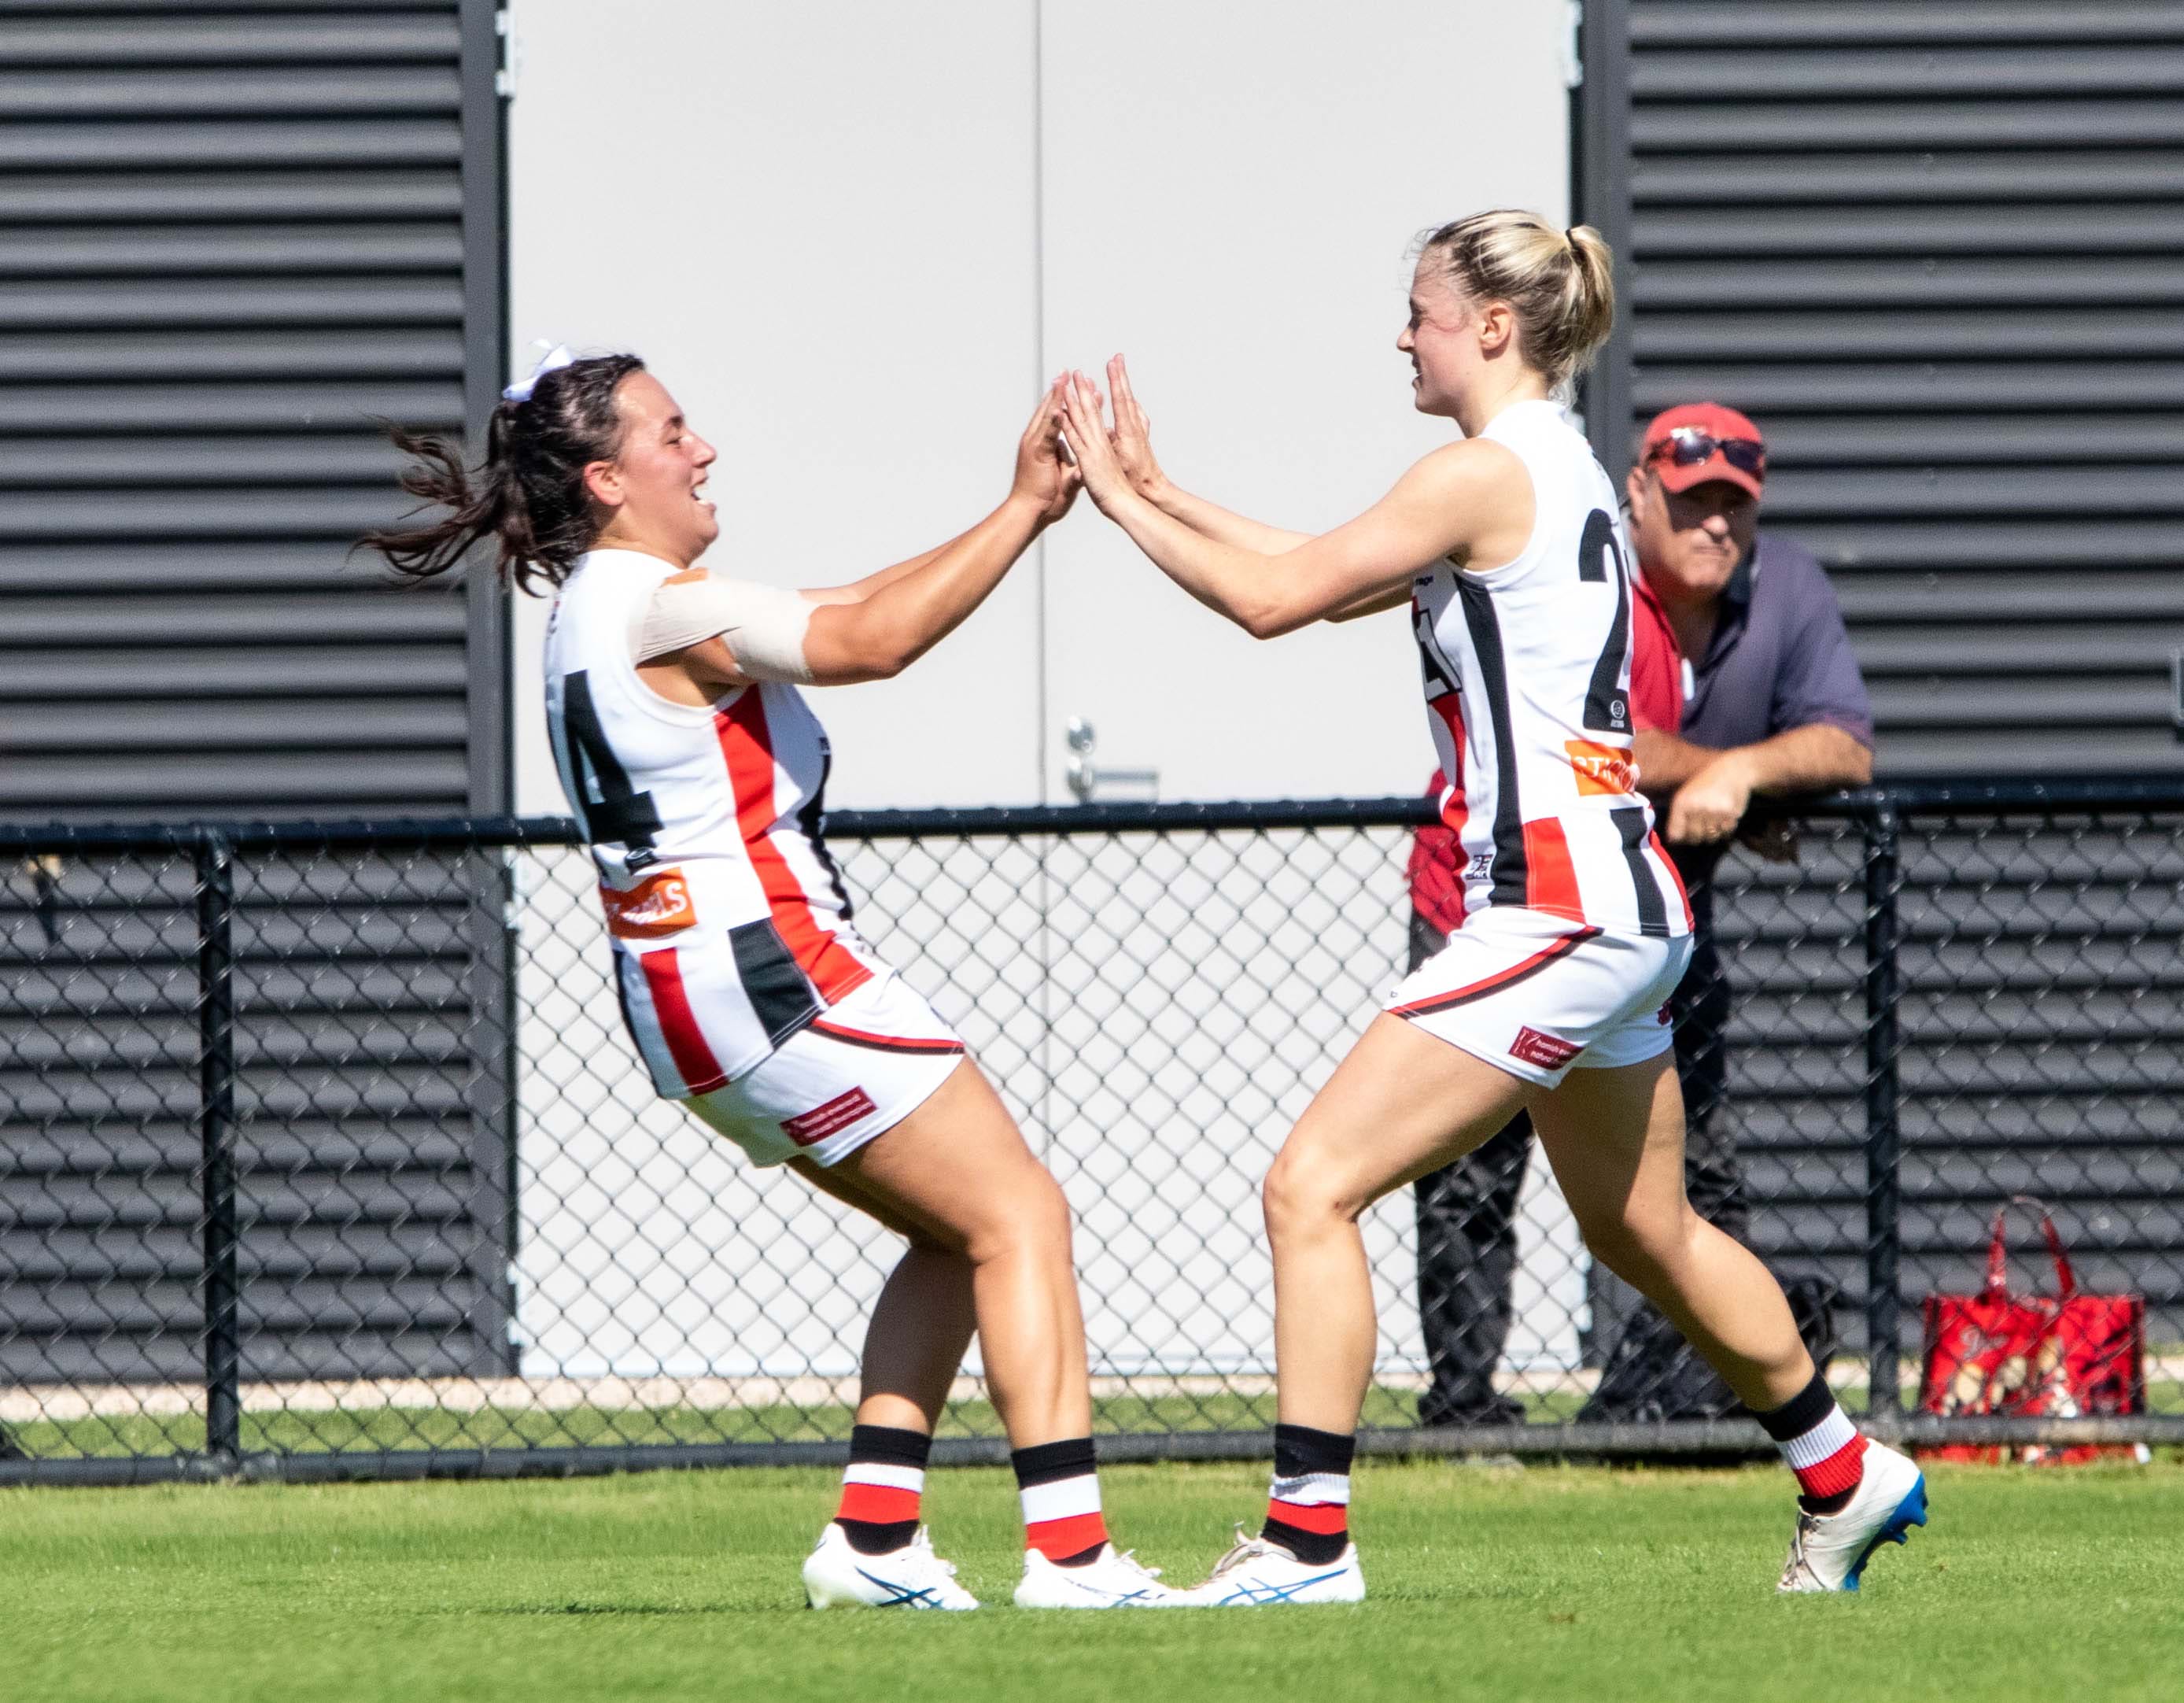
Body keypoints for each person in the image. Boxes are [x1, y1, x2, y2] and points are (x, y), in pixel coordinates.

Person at [1055, 209, 1926, 1604]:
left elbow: (1274, 600)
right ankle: (1844, 1471)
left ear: (1494, 327)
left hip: (1554, 908)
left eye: (1421, 312)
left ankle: (1305, 1546)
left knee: (1310, 1187)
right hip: (1624, 905)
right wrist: (1156, 487)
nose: (1403, 336)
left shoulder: (1478, 472)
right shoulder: (1559, 470)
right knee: (1646, 1231)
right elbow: (1323, 570)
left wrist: (1116, 498)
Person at [360, 349, 1179, 1611]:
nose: (702, 450)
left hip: (688, 995)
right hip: (773, 973)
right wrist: (1024, 509)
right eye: (672, 432)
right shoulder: (653, 606)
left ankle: (873, 1542)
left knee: (958, 1233)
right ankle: (1071, 1559)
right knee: (1023, 1216)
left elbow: (844, 599)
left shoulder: (605, 604)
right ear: (607, 479)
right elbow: (872, 638)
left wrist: (1016, 506)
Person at [1404, 400, 1874, 1426]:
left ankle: (1707, 1404)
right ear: (1640, 494)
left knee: (1687, 1186)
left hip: (1646, 917)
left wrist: (1740, 778)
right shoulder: (1589, 564)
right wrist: (1722, 780)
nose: (1717, 524)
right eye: (1695, 502)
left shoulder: (1785, 589)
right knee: (1468, 1163)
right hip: (1499, 896)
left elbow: (1845, 743)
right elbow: (1606, 747)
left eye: (1735, 505)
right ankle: (1463, 1414)